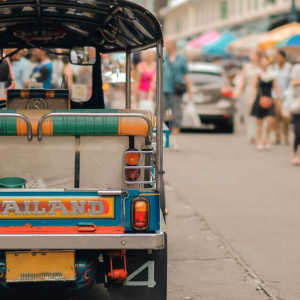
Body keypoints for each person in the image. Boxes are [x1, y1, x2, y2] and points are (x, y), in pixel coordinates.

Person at [163, 39, 193, 151]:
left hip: (176, 91)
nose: (166, 46)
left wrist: (190, 91)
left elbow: (186, 75)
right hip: (163, 90)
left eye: (168, 44)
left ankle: (174, 140)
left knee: (176, 115)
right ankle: (161, 139)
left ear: (173, 45)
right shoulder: (162, 57)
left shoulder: (182, 58)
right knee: (159, 115)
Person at [250, 54, 281, 150]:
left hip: (269, 99)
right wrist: (250, 99)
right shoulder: (257, 73)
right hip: (259, 99)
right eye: (262, 61)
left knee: (271, 120)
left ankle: (266, 138)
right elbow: (253, 87)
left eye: (265, 60)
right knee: (259, 122)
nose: (264, 62)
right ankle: (259, 140)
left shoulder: (272, 73)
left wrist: (279, 99)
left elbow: (276, 87)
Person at [234, 50, 260, 144]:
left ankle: (259, 134)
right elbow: (242, 81)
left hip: (259, 91)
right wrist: (237, 91)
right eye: (250, 55)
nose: (251, 57)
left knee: (258, 114)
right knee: (249, 114)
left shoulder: (261, 66)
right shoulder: (247, 66)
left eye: (253, 55)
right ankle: (251, 134)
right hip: (248, 91)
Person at [272, 50, 292, 145]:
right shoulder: (274, 68)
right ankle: (277, 137)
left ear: (284, 57)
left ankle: (286, 136)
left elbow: (290, 82)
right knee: (276, 117)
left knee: (286, 118)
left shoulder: (289, 67)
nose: (278, 59)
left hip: (286, 96)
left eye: (280, 57)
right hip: (275, 95)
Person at [285, 64, 300, 164]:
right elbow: (292, 83)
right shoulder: (296, 68)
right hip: (297, 104)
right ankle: (295, 153)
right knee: (298, 131)